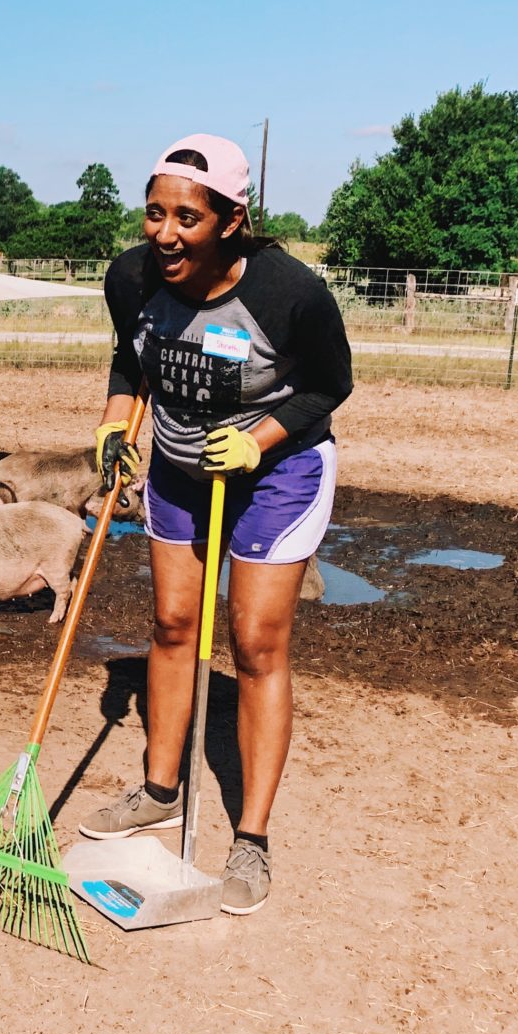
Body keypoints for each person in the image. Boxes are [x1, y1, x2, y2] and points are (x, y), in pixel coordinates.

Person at [79, 133, 353, 916]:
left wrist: (260, 437)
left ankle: (251, 838)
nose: (165, 234)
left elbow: (331, 384)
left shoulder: (288, 293)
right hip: (177, 464)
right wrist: (113, 422)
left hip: (279, 470)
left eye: (187, 219)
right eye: (155, 214)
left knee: (256, 643)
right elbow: (132, 360)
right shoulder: (130, 278)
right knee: (172, 622)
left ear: (231, 220)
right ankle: (161, 788)